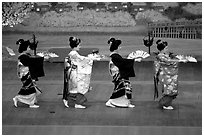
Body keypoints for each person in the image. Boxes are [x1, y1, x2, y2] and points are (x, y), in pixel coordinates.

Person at [63, 36, 100, 109]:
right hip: (74, 73)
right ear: (75, 45)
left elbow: (81, 59)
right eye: (79, 45)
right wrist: (91, 58)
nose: (80, 46)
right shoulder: (73, 53)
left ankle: (74, 103)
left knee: (76, 87)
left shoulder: (74, 53)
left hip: (74, 71)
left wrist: (90, 58)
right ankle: (73, 103)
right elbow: (82, 60)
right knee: (76, 87)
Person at [106, 38, 142, 108]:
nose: (120, 48)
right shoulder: (114, 56)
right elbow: (123, 63)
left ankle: (123, 102)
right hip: (119, 74)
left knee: (124, 87)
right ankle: (112, 101)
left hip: (120, 73)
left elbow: (123, 62)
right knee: (122, 87)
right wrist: (135, 60)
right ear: (116, 48)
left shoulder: (115, 55)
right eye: (119, 46)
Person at [154, 39, 187, 110]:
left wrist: (177, 59)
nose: (167, 49)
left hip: (168, 75)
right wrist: (179, 60)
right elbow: (169, 62)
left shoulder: (165, 55)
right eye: (166, 48)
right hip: (165, 75)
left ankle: (166, 103)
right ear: (162, 49)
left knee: (171, 89)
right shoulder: (160, 56)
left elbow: (170, 60)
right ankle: (164, 103)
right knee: (169, 90)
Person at [13, 39, 42, 108]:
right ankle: (24, 101)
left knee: (30, 88)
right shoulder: (23, 57)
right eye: (28, 47)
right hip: (25, 74)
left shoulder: (25, 55)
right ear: (25, 48)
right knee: (31, 89)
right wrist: (39, 58)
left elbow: (31, 60)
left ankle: (30, 101)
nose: (29, 48)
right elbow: (31, 62)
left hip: (27, 73)